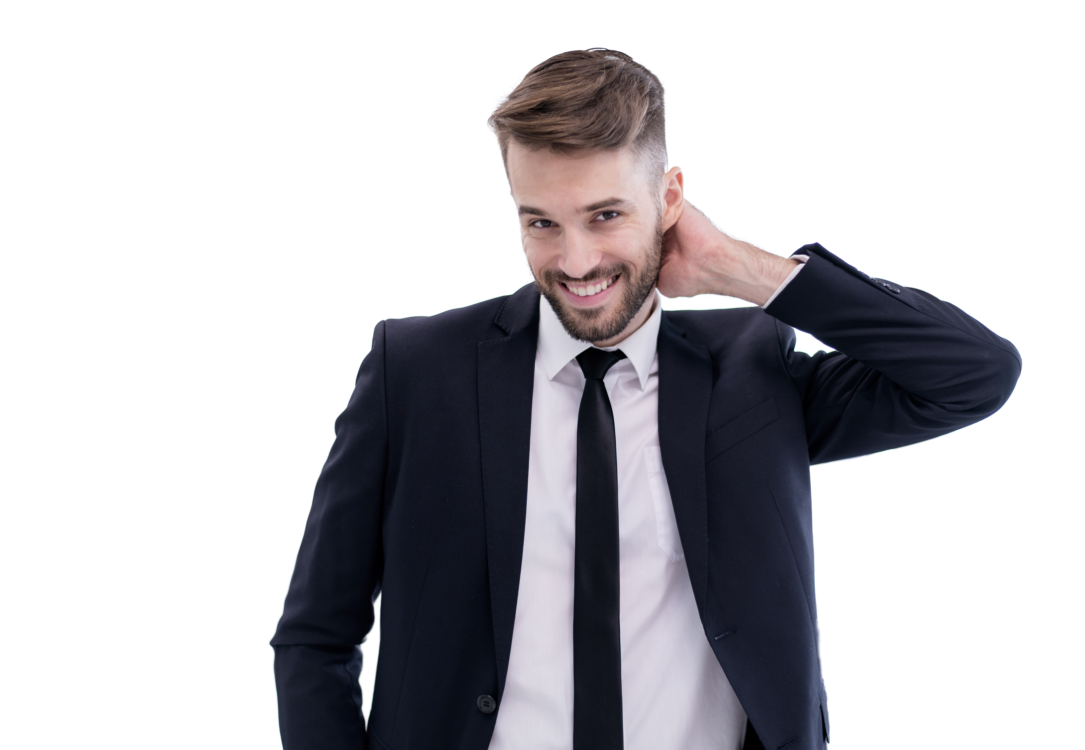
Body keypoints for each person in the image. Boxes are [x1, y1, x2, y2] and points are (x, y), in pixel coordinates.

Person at [269, 49, 1022, 750]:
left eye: (606, 215)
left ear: (669, 197)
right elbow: (314, 634)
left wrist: (743, 269)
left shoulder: (753, 375)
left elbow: (974, 372)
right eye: (541, 222)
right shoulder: (417, 369)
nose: (576, 261)